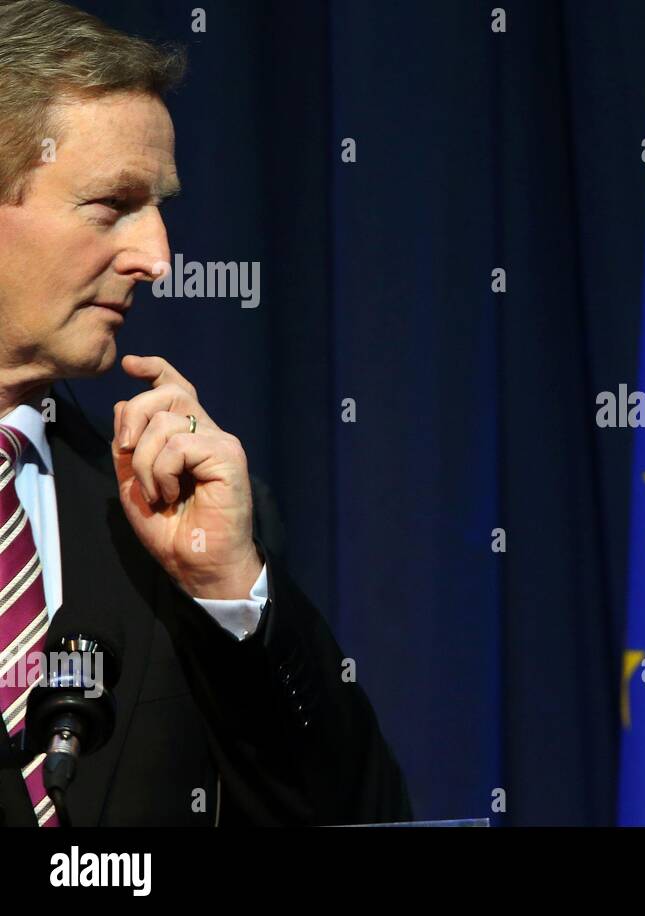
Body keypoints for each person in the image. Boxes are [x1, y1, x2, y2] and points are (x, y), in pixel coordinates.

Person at [0, 0, 409, 826]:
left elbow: (356, 815)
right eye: (112, 205)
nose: (157, 258)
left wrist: (232, 590)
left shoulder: (173, 513)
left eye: (161, 208)